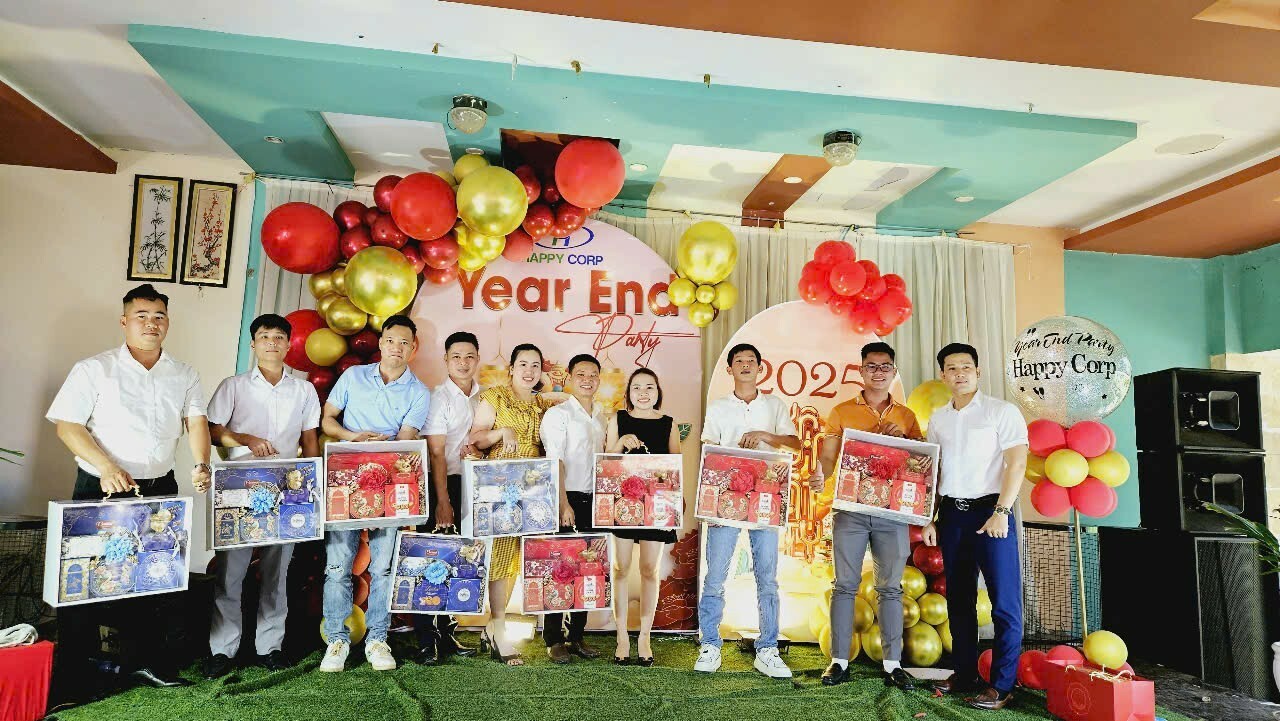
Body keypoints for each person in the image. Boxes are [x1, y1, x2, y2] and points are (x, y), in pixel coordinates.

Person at [46, 284, 211, 696]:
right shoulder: (94, 369)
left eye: (159, 317)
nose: (151, 324)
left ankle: (144, 662)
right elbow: (67, 425)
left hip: (159, 489)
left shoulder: (184, 373)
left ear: (168, 322)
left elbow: (196, 422)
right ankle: (75, 676)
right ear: (124, 322)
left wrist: (201, 463)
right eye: (141, 316)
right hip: (102, 488)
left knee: (155, 576)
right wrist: (106, 466)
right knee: (87, 579)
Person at [202, 314, 321, 679]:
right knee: (230, 572)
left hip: (287, 490)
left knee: (276, 572)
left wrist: (313, 487)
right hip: (239, 487)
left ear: (288, 345)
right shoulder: (234, 386)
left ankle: (270, 647)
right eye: (265, 336)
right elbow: (212, 430)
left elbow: (310, 440)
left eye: (279, 337)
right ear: (253, 344)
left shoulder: (303, 391)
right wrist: (246, 439)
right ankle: (223, 650)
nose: (272, 342)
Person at [318, 315, 430, 673]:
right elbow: (328, 419)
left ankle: (378, 640)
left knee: (383, 568)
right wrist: (353, 438)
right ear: (381, 343)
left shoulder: (419, 392)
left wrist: (384, 454)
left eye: (404, 343)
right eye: (391, 340)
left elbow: (406, 442)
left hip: (391, 485)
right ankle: (337, 640)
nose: (397, 348)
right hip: (344, 482)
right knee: (338, 566)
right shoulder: (353, 377)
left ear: (413, 349)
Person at [921, 342, 1028, 711]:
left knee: (1004, 602)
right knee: (959, 599)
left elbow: (1016, 463)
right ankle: (965, 673)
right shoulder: (938, 419)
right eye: (952, 368)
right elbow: (935, 472)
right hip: (952, 515)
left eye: (966, 367)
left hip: (992, 512)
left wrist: (1001, 511)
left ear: (978, 372)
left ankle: (1001, 685)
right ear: (943, 375)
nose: (960, 374)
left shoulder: (1002, 411)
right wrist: (931, 517)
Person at [810, 342, 922, 689]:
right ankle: (839, 662)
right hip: (851, 509)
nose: (878, 372)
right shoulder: (842, 412)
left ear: (894, 372)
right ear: (861, 371)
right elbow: (829, 458)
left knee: (890, 588)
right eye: (871, 366)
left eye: (885, 366)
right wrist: (821, 474)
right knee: (844, 585)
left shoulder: (906, 416)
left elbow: (919, 465)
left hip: (892, 513)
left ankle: (893, 665)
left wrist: (904, 441)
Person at [695, 343, 801, 679]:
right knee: (715, 576)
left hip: (767, 500)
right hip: (726, 501)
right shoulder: (718, 407)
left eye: (750, 361)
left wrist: (765, 436)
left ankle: (767, 648)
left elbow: (795, 444)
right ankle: (710, 644)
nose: (745, 365)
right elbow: (708, 450)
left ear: (760, 368)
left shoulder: (774, 405)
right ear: (729, 369)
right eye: (738, 361)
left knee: (767, 577)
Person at [468, 342, 553, 666]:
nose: (529, 371)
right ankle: (500, 630)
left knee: (518, 557)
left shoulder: (542, 403)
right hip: (501, 487)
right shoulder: (495, 397)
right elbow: (476, 438)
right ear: (512, 368)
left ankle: (493, 628)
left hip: (534, 490)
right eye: (523, 364)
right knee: (500, 556)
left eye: (535, 365)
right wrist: (502, 432)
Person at [413, 331, 481, 665]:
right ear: (446, 360)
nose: (463, 363)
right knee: (432, 561)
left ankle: (448, 632)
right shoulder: (438, 398)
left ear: (477, 359)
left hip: (471, 484)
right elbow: (436, 454)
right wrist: (443, 501)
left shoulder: (483, 396)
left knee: (460, 561)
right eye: (456, 357)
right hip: (442, 484)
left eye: (469, 357)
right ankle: (427, 640)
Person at [605, 368, 680, 667]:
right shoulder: (618, 419)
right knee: (621, 568)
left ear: (658, 391)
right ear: (629, 393)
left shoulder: (669, 424)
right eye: (637, 387)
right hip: (622, 504)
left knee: (650, 569)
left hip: (657, 506)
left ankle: (644, 637)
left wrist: (677, 499)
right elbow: (606, 463)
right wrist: (621, 442)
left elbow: (675, 465)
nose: (643, 393)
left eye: (650, 387)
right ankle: (622, 636)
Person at [538, 353, 608, 664]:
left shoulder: (602, 416)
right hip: (567, 498)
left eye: (593, 375)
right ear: (569, 377)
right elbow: (555, 461)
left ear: (599, 379)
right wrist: (563, 502)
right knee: (560, 569)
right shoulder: (559, 415)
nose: (587, 380)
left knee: (588, 568)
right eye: (581, 374)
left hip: (596, 499)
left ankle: (576, 635)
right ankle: (553, 639)